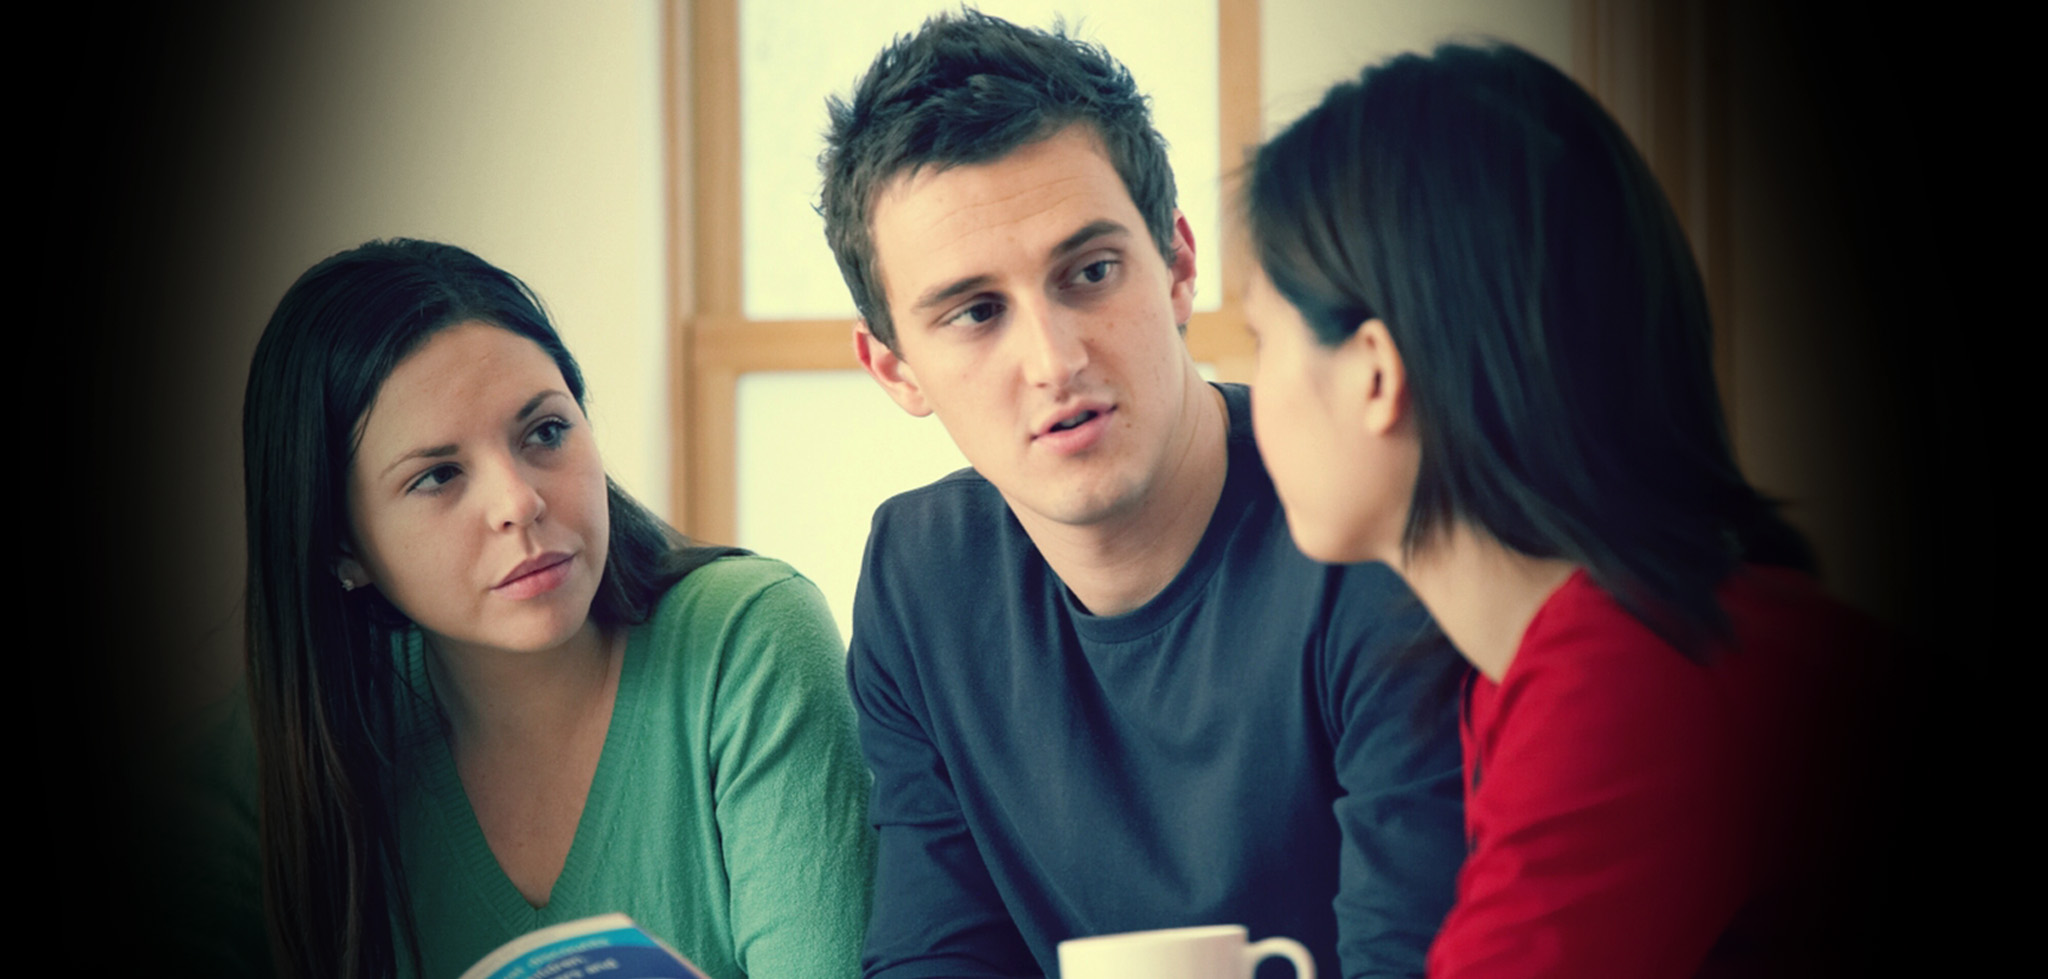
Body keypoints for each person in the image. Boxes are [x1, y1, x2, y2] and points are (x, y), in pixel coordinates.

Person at [818, 11, 1466, 978]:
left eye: (1091, 272)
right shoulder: (922, 573)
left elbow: (1415, 955)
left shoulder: (1361, 526)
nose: (1056, 359)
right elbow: (936, 953)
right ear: (894, 369)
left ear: (1178, 266)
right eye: (977, 312)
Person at [1240, 42, 1879, 978]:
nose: (1247, 392)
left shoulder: (1628, 681)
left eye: (1261, 339)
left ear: (1376, 374)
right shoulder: (1551, 667)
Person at [220, 238, 874, 978]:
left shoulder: (747, 643)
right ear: (341, 546)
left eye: (546, 432)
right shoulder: (292, 735)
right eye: (438, 476)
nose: (520, 501)